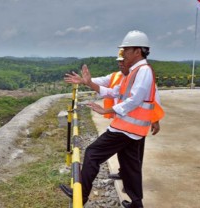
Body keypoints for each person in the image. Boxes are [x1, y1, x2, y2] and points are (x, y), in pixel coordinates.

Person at [60, 30, 164, 208]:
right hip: (132, 130)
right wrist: (88, 82)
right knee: (130, 166)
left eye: (126, 51)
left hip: (126, 128)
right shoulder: (133, 72)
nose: (123, 54)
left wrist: (106, 109)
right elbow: (114, 92)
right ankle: (136, 203)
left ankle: (81, 194)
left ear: (137, 51)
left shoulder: (143, 71)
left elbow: (134, 100)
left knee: (92, 153)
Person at [64, 48, 162, 181]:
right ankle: (133, 195)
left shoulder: (142, 75)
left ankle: (85, 191)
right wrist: (85, 81)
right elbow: (106, 87)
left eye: (124, 60)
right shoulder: (119, 77)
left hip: (134, 124)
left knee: (131, 159)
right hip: (124, 122)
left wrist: (155, 120)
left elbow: (152, 100)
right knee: (128, 158)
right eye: (119, 62)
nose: (121, 63)